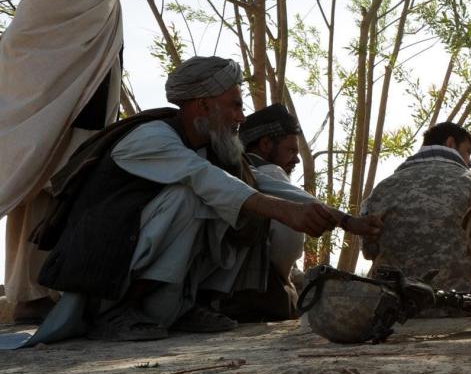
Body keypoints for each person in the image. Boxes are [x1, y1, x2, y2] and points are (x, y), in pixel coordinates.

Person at [25, 56, 382, 343]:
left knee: (246, 204)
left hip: (136, 258)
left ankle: (184, 306)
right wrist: (285, 212)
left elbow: (261, 185)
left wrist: (345, 221)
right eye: (235, 105)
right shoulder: (150, 137)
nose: (241, 117)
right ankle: (121, 311)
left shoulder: (209, 147)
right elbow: (207, 181)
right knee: (195, 196)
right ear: (203, 104)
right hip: (103, 269)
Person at [0, 0, 132, 323]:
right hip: (52, 118)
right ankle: (31, 296)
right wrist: (49, 110)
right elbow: (22, 53)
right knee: (41, 203)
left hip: (86, 122)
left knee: (69, 204)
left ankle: (51, 293)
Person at [359, 121, 471, 296]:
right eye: (467, 151)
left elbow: (369, 251)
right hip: (457, 305)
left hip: (392, 309)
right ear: (450, 143)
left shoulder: (382, 188)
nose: (470, 162)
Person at [220, 103, 313, 320]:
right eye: (291, 150)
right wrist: (284, 279)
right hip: (256, 297)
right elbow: (289, 242)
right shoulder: (271, 172)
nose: (297, 159)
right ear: (265, 144)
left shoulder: (222, 175)